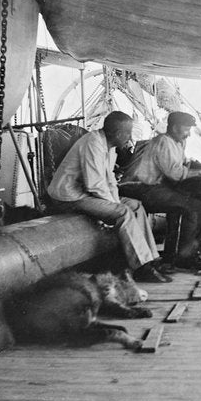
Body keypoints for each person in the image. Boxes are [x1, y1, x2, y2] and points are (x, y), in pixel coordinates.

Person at [47, 111, 171, 283]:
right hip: (69, 196)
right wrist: (116, 206)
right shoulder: (93, 143)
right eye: (127, 133)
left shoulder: (109, 147)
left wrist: (115, 201)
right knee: (123, 212)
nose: (129, 137)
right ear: (117, 134)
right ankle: (141, 267)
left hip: (86, 193)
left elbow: (110, 181)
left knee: (135, 206)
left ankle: (150, 258)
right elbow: (95, 184)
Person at [117, 111, 201, 272]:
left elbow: (184, 163)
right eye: (186, 129)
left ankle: (173, 256)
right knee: (197, 209)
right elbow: (176, 173)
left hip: (153, 187)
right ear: (176, 127)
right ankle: (185, 258)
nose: (189, 134)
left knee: (186, 205)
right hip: (138, 188)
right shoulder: (162, 142)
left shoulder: (178, 143)